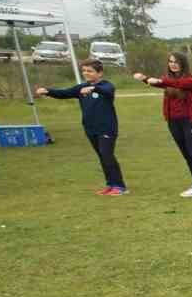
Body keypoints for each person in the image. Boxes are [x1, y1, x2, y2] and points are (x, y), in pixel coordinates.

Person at [37, 58, 127, 195]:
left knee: (107, 155)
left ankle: (119, 186)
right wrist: (47, 91)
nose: (86, 73)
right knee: (102, 157)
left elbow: (107, 91)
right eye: (84, 71)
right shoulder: (81, 88)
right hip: (90, 129)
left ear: (100, 73)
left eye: (90, 71)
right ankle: (110, 184)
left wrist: (93, 88)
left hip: (106, 128)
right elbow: (64, 93)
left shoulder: (107, 86)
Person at [134, 52, 192, 198]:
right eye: (170, 61)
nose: (172, 64)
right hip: (174, 122)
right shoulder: (169, 81)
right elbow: (163, 84)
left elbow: (177, 84)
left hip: (191, 121)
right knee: (187, 155)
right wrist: (145, 79)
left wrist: (156, 80)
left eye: (176, 62)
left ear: (183, 64)